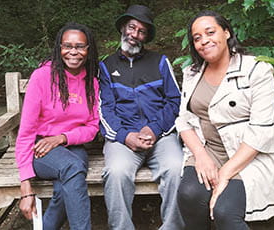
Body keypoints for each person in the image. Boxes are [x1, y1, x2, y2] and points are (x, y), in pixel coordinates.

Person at [175, 10, 274, 230]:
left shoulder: (256, 70)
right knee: (189, 195)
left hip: (250, 155)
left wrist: (224, 175)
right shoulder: (191, 73)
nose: (204, 41)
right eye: (197, 37)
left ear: (227, 32)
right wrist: (200, 156)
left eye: (210, 32)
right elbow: (183, 120)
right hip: (208, 150)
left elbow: (261, 132)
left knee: (224, 210)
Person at [98, 5, 184, 230]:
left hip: (161, 136)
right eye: (131, 27)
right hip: (123, 138)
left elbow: (175, 102)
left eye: (141, 31)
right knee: (116, 173)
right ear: (122, 28)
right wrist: (126, 136)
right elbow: (104, 110)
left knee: (176, 168)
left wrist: (154, 129)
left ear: (146, 37)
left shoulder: (160, 62)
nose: (134, 35)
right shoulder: (106, 66)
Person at [15, 22, 99, 230]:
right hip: (39, 149)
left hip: (71, 146)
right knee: (72, 167)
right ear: (59, 47)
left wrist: (62, 138)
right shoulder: (42, 77)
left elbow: (93, 126)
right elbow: (26, 131)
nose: (73, 52)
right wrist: (26, 188)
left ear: (88, 50)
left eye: (80, 46)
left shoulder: (92, 82)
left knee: (68, 180)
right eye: (67, 46)